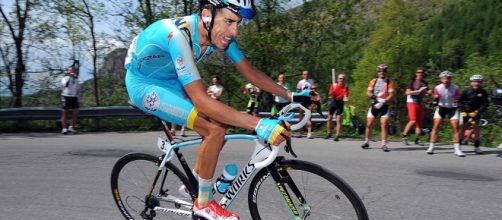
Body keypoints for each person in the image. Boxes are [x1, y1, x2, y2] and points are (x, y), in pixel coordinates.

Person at [123, 1, 311, 218]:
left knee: (218, 126)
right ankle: (203, 204)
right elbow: (202, 102)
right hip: (143, 85)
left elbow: (250, 73)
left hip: (170, 80)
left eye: (238, 23)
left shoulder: (217, 33)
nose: (234, 31)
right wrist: (259, 124)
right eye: (229, 21)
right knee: (214, 129)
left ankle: (193, 183)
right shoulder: (177, 36)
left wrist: (290, 95)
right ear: (206, 14)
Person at [426, 71, 464, 156]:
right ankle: (431, 147)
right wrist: (433, 99)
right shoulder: (438, 88)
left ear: (451, 79)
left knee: (455, 127)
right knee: (436, 126)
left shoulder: (455, 88)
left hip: (452, 109)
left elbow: (458, 99)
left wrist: (457, 102)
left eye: (448, 78)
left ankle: (457, 149)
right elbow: (436, 99)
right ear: (441, 79)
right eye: (444, 78)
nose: (446, 80)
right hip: (441, 108)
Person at [361, 64, 395, 152]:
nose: (382, 73)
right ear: (377, 72)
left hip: (384, 105)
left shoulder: (389, 82)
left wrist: (383, 101)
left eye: (383, 71)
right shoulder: (373, 81)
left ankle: (384, 144)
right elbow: (367, 92)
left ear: (386, 72)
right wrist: (373, 97)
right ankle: (367, 142)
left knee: (384, 124)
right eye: (380, 71)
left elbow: (391, 95)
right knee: (369, 124)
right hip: (374, 104)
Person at [459, 74, 489, 154]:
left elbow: (485, 104)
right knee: (462, 128)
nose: (476, 83)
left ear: (481, 82)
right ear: (471, 82)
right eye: (474, 81)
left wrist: (477, 111)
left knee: (477, 129)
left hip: (476, 113)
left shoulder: (483, 92)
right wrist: (462, 110)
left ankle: (476, 147)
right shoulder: (466, 91)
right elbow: (460, 101)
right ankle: (459, 146)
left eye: (479, 81)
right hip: (465, 112)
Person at [401, 67, 430, 145]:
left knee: (419, 123)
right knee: (413, 120)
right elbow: (407, 92)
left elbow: (426, 94)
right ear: (416, 73)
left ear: (424, 74)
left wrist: (428, 93)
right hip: (411, 101)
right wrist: (419, 91)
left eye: (422, 73)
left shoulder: (425, 83)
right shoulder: (412, 82)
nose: (420, 74)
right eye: (418, 72)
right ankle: (404, 136)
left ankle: (417, 139)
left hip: (419, 102)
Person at [325, 73, 349, 141]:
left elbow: (345, 96)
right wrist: (332, 93)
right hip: (333, 102)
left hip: (340, 103)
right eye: (340, 78)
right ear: (337, 79)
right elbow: (329, 94)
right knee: (329, 118)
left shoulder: (345, 87)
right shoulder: (334, 85)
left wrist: (346, 98)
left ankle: (337, 135)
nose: (342, 80)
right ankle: (329, 133)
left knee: (338, 119)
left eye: (343, 79)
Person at [297, 70, 319, 139]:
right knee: (301, 116)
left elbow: (314, 92)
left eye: (307, 74)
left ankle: (309, 133)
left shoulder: (311, 81)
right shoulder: (300, 82)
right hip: (302, 100)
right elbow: (298, 91)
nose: (306, 75)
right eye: (304, 74)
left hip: (309, 100)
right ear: (302, 75)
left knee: (309, 116)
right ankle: (300, 132)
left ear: (309, 75)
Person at [60, 65, 80, 134]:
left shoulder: (76, 79)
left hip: (74, 97)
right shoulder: (64, 78)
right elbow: (65, 85)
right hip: (66, 96)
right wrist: (70, 77)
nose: (72, 72)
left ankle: (71, 127)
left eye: (73, 71)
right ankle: (64, 128)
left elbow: (77, 89)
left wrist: (78, 98)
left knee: (76, 112)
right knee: (65, 113)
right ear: (68, 71)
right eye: (70, 70)